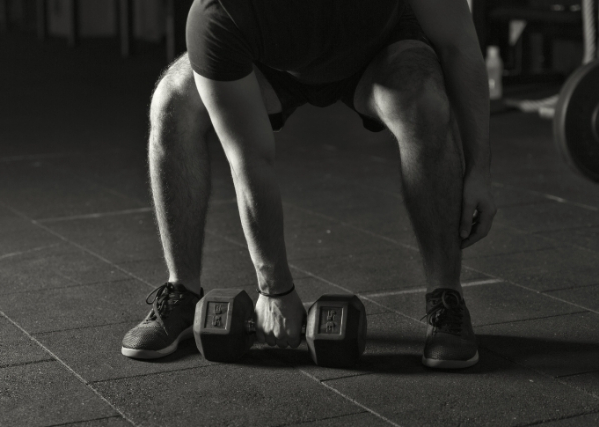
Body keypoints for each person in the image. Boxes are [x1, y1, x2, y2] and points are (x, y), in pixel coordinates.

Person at [121, 0, 497, 369]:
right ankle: (182, 293)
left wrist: (479, 170)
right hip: (269, 64)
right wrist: (275, 289)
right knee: (172, 101)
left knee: (426, 102)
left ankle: (445, 297)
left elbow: (458, 44)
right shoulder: (220, 13)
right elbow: (250, 159)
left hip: (380, 49)